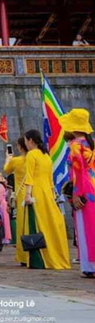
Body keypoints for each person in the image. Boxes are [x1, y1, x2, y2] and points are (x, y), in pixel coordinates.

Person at [20, 129, 70, 270]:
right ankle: (56, 255)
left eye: (25, 141)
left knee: (38, 224)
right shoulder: (46, 155)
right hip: (47, 192)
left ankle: (42, 257)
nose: (25, 144)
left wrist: (28, 195)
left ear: (30, 140)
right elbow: (50, 179)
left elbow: (29, 177)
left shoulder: (32, 155)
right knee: (51, 223)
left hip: (36, 192)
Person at [60, 109, 95, 277]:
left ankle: (89, 266)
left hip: (83, 188)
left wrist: (76, 194)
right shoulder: (92, 143)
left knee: (84, 226)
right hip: (93, 184)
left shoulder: (75, 145)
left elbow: (78, 170)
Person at [4, 137, 28, 266]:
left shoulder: (17, 160)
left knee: (22, 225)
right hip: (36, 192)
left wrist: (8, 158)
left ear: (20, 147)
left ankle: (24, 255)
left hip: (22, 194)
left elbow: (6, 169)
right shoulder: (36, 158)